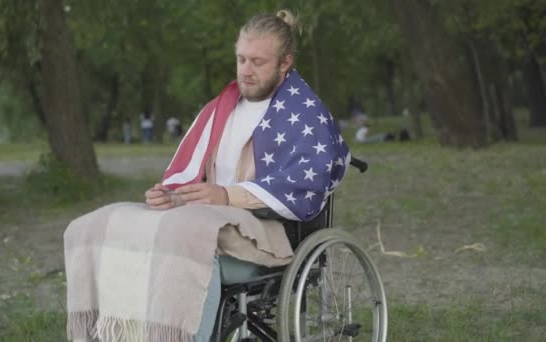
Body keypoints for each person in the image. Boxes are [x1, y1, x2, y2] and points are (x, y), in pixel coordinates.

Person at [64, 10, 349, 342]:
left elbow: (306, 182)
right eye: (241, 59)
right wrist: (175, 196)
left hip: (268, 232)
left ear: (285, 62)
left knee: (187, 241)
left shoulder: (305, 113)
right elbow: (196, 180)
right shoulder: (220, 108)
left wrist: (227, 195)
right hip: (208, 219)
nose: (246, 70)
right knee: (99, 225)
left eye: (258, 62)